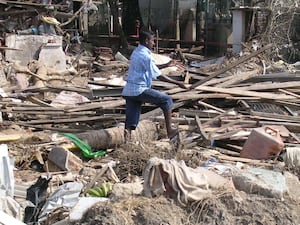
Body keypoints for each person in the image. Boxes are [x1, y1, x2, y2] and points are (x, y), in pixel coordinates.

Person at [122, 29, 188, 142]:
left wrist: (166, 65)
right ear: (147, 41)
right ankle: (170, 131)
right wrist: (178, 83)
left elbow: (150, 67)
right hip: (139, 89)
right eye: (153, 41)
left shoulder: (137, 52)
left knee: (131, 121)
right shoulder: (145, 56)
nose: (153, 43)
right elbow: (158, 75)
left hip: (129, 91)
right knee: (167, 100)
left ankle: (127, 142)